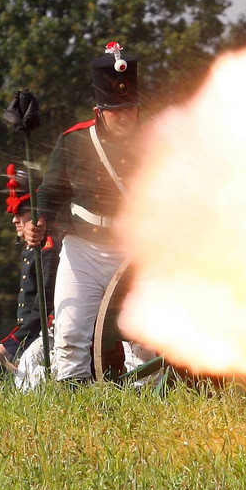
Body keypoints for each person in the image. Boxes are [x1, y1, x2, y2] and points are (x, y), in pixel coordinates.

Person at [23, 41, 147, 383]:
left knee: (148, 339)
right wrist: (39, 222)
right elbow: (50, 191)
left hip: (138, 252)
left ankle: (152, 407)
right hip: (85, 251)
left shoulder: (155, 142)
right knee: (70, 336)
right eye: (115, 109)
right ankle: (73, 408)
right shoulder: (75, 142)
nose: (124, 117)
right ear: (99, 110)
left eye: (130, 108)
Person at [0, 164, 61, 388]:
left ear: (38, 213)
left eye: (21, 213)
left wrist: (12, 343)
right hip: (34, 335)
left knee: (31, 378)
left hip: (52, 333)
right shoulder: (33, 249)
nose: (14, 220)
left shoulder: (49, 247)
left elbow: (44, 304)